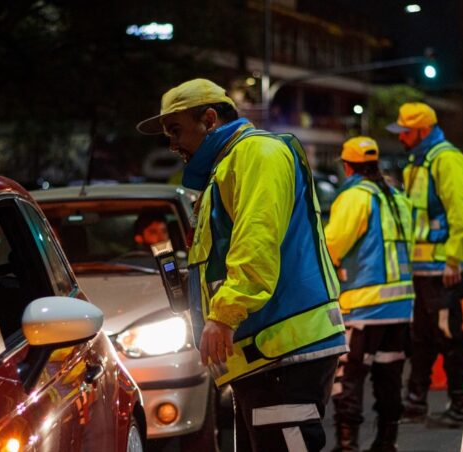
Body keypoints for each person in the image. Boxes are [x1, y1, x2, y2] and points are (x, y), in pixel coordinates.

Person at [137, 78, 347, 451]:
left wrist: (223, 315)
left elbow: (257, 241)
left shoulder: (256, 155)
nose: (172, 144)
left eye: (176, 130)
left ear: (210, 119)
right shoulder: (230, 166)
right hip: (267, 353)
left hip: (283, 351)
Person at [387, 102, 463, 427]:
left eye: (406, 132)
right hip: (422, 270)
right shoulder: (417, 163)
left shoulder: (445, 159)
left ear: (423, 130)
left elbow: (462, 213)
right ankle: (416, 402)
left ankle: (460, 404)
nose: (401, 138)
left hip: (442, 270)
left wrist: (455, 258)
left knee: (448, 337)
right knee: (421, 338)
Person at [325, 137, 415, 452]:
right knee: (388, 378)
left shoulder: (355, 197)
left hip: (363, 306)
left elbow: (332, 246)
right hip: (400, 307)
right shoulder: (397, 198)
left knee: (349, 377)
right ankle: (386, 442)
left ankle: (347, 445)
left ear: (347, 166)